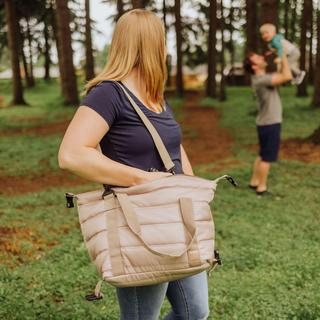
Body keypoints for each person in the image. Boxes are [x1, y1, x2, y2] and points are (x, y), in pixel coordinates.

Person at [58, 9, 209, 320]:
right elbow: (72, 153)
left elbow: (172, 146)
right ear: (152, 43)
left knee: (195, 312)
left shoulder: (156, 96)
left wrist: (190, 189)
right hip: (138, 225)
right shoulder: (108, 93)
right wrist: (141, 179)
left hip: (175, 219)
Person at [244, 51, 292, 196]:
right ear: (254, 66)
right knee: (267, 158)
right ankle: (262, 188)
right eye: (257, 57)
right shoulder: (260, 79)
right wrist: (283, 55)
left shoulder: (262, 78)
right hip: (270, 123)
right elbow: (287, 76)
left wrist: (279, 63)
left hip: (265, 123)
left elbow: (278, 76)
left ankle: (254, 182)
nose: (262, 57)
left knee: (262, 154)